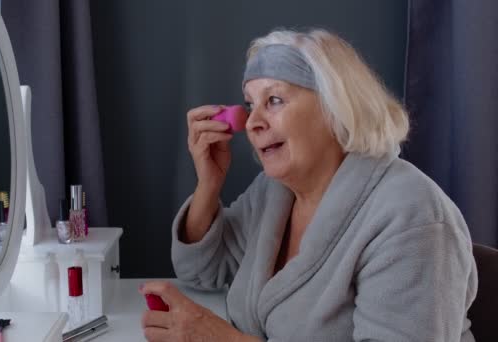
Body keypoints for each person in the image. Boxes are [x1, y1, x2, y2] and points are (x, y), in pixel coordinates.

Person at [139, 28, 478, 341]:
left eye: (274, 100)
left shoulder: (412, 216)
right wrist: (209, 184)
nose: (253, 122)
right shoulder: (274, 193)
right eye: (249, 104)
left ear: (336, 107)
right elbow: (202, 272)